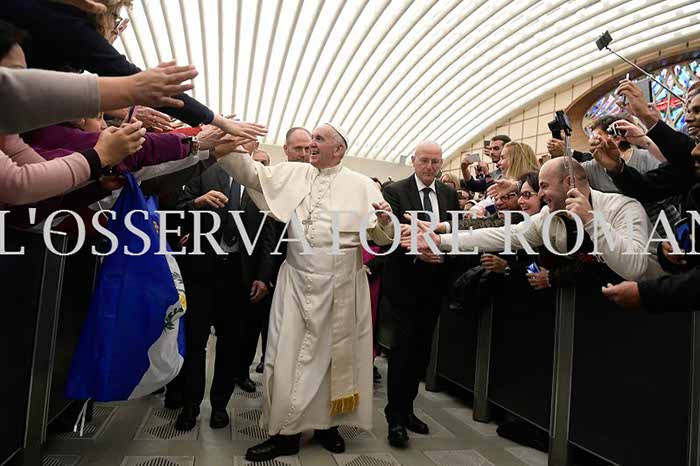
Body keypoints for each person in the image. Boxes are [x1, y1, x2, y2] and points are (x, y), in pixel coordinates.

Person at [213, 123, 394, 462]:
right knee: (285, 358)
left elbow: (381, 237)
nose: (311, 144)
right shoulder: (294, 173)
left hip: (342, 287)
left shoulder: (362, 185)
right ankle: (285, 434)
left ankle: (328, 427)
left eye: (319, 139)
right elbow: (253, 175)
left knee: (334, 362)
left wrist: (385, 222)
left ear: (338, 150)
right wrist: (226, 144)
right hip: (296, 283)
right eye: (311, 138)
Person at [404, 158, 662, 284]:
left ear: (569, 183)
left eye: (544, 187)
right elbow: (503, 233)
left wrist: (590, 221)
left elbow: (635, 268)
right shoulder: (548, 216)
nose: (540, 195)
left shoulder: (623, 207)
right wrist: (441, 239)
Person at [170, 148, 276, 432]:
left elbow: (268, 236)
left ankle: (220, 406)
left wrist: (263, 276)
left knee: (231, 345)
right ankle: (190, 406)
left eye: (248, 141)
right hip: (201, 273)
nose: (243, 145)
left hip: (239, 277)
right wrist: (197, 203)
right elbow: (177, 210)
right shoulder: (204, 172)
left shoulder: (261, 181)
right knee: (195, 342)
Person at [380, 141, 460, 448]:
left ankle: (408, 408)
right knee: (402, 349)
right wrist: (418, 249)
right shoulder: (395, 191)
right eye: (424, 160)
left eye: (435, 162)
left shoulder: (449, 194)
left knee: (422, 351)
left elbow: (455, 231)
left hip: (435, 283)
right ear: (413, 161)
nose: (430, 167)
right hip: (404, 283)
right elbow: (392, 232)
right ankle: (395, 418)